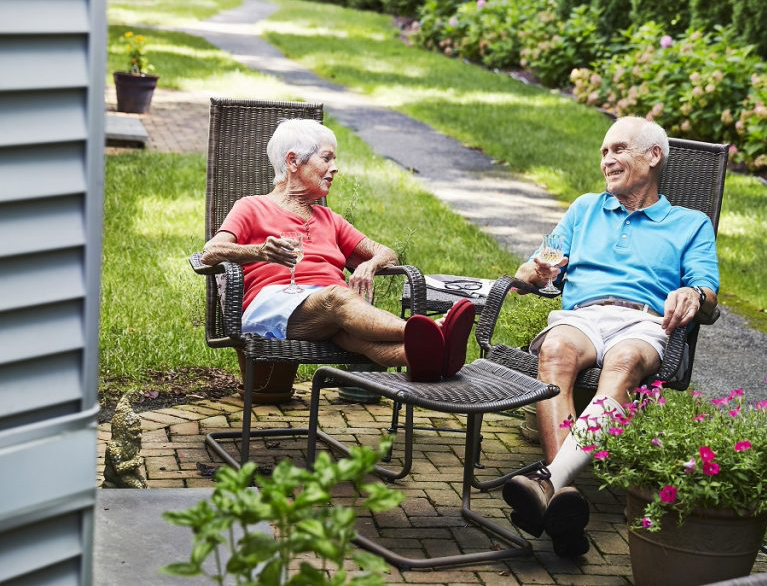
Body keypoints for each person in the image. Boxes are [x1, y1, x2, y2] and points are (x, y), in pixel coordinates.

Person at [501, 116, 719, 557]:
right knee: (556, 351)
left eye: (619, 149)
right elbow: (532, 269)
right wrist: (535, 272)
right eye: (603, 152)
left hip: (643, 322)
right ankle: (558, 490)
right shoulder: (584, 209)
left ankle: (549, 484)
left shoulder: (690, 223)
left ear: (653, 156)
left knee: (621, 365)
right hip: (581, 314)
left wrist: (692, 295)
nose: (607, 160)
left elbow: (708, 293)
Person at [200, 118, 474, 380]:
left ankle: (436, 355)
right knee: (337, 297)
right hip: (273, 310)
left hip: (327, 315)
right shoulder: (252, 206)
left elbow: (386, 251)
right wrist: (259, 251)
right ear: (293, 161)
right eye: (327, 158)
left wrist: (370, 263)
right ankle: (435, 330)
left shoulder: (330, 219)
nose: (335, 168)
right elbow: (211, 252)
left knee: (361, 340)